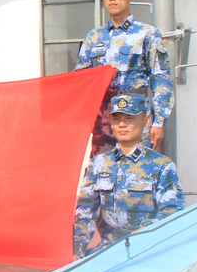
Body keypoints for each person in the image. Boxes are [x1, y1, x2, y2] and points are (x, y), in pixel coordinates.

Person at [74, 0, 174, 158]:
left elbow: (161, 80)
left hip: (136, 119)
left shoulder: (147, 34)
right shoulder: (94, 37)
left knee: (137, 176)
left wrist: (160, 121)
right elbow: (80, 80)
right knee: (104, 176)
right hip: (104, 120)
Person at [73, 94, 184, 258]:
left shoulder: (161, 166)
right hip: (109, 249)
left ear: (146, 121)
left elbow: (171, 214)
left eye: (130, 118)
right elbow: (85, 212)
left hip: (148, 250)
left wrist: (139, 237)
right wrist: (78, 252)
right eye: (116, 119)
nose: (122, 124)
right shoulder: (98, 164)